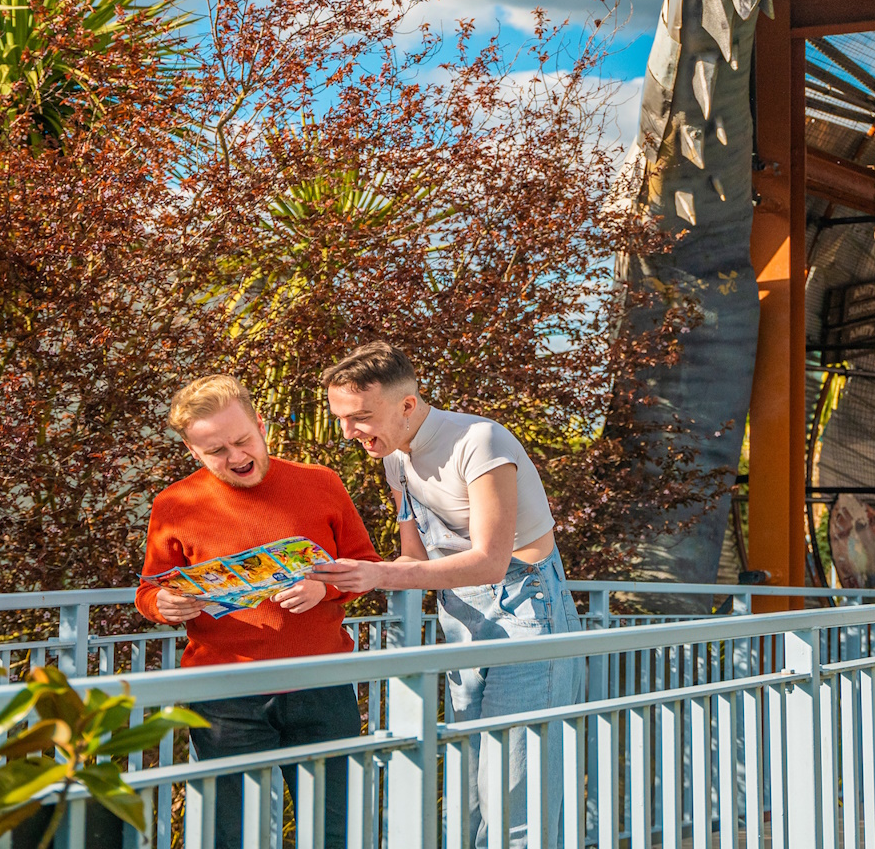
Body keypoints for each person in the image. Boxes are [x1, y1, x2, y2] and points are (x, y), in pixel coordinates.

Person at [310, 342, 583, 849]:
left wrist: (382, 578)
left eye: (361, 417)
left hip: (525, 613)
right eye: (341, 418)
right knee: (470, 787)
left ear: (407, 405)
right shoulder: (396, 461)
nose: (349, 432)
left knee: (515, 791)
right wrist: (335, 575)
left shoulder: (480, 441)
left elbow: (490, 561)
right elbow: (413, 558)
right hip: (460, 620)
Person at [135, 374, 382, 849]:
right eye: (215, 451)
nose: (236, 458)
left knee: (335, 831)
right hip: (224, 697)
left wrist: (322, 589)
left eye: (242, 440)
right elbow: (150, 592)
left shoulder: (321, 483)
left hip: (322, 685)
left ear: (261, 425)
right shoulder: (174, 503)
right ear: (193, 452)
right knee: (230, 834)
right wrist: (165, 605)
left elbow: (368, 566)